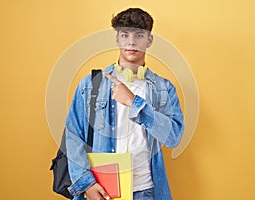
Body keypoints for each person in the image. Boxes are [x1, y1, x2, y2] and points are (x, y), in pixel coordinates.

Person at [65, 8, 184, 200]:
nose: (131, 41)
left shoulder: (164, 88)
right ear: (117, 39)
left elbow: (173, 138)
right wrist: (86, 183)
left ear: (149, 40)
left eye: (139, 35)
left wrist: (134, 103)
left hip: (146, 190)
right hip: (102, 189)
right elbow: (72, 136)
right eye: (125, 34)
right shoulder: (91, 84)